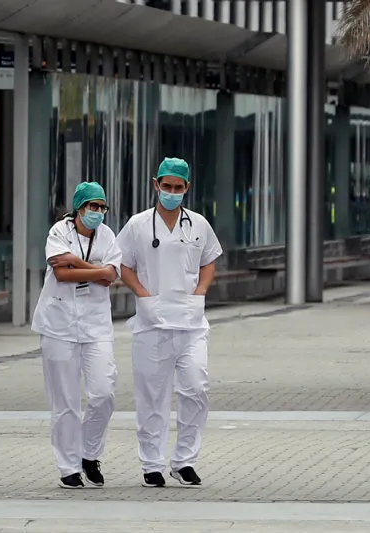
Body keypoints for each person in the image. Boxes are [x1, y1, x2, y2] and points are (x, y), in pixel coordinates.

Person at [116, 157, 223, 488]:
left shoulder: (199, 224)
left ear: (187, 188)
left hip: (191, 323)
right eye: (167, 186)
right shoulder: (137, 225)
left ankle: (185, 460)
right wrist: (144, 295)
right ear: (156, 185)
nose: (172, 192)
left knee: (196, 389)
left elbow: (209, 262)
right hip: (152, 324)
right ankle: (151, 463)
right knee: (152, 397)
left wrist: (201, 290)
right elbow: (123, 265)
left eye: (178, 187)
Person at [31, 181, 122, 489]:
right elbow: (60, 271)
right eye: (91, 206)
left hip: (96, 325)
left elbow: (110, 278)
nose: (97, 212)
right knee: (65, 401)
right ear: (79, 207)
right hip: (59, 324)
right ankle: (68, 466)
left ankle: (89, 453)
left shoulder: (108, 236)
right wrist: (95, 269)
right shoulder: (60, 231)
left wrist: (79, 264)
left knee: (103, 392)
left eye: (101, 207)